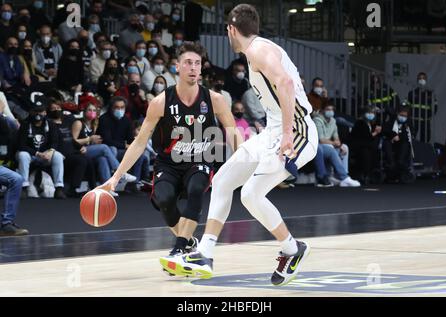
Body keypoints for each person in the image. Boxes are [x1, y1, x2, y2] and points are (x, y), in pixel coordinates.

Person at [162, 4, 319, 286]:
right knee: (222, 180)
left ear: (231, 30)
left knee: (250, 194)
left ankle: (293, 250)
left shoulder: (259, 50)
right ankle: (204, 254)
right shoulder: (255, 51)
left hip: (297, 132)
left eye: (227, 31)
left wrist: (286, 134)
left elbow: (284, 82)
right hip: (273, 131)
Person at [96, 42, 239, 260]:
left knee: (196, 189)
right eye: (188, 63)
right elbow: (139, 142)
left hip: (200, 158)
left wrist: (243, 166)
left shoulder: (215, 100)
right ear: (178, 67)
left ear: (201, 69)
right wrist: (116, 177)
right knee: (164, 199)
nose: (193, 67)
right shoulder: (160, 102)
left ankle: (180, 247)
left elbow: (233, 132)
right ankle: (189, 241)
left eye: (197, 63)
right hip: (168, 163)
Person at [349, 106, 383, 185]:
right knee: (366, 151)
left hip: (368, 145)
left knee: (372, 150)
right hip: (359, 145)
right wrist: (376, 133)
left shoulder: (372, 123)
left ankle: (372, 173)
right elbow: (365, 136)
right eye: (368, 113)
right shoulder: (360, 123)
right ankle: (365, 174)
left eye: (372, 113)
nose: (370, 114)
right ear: (364, 114)